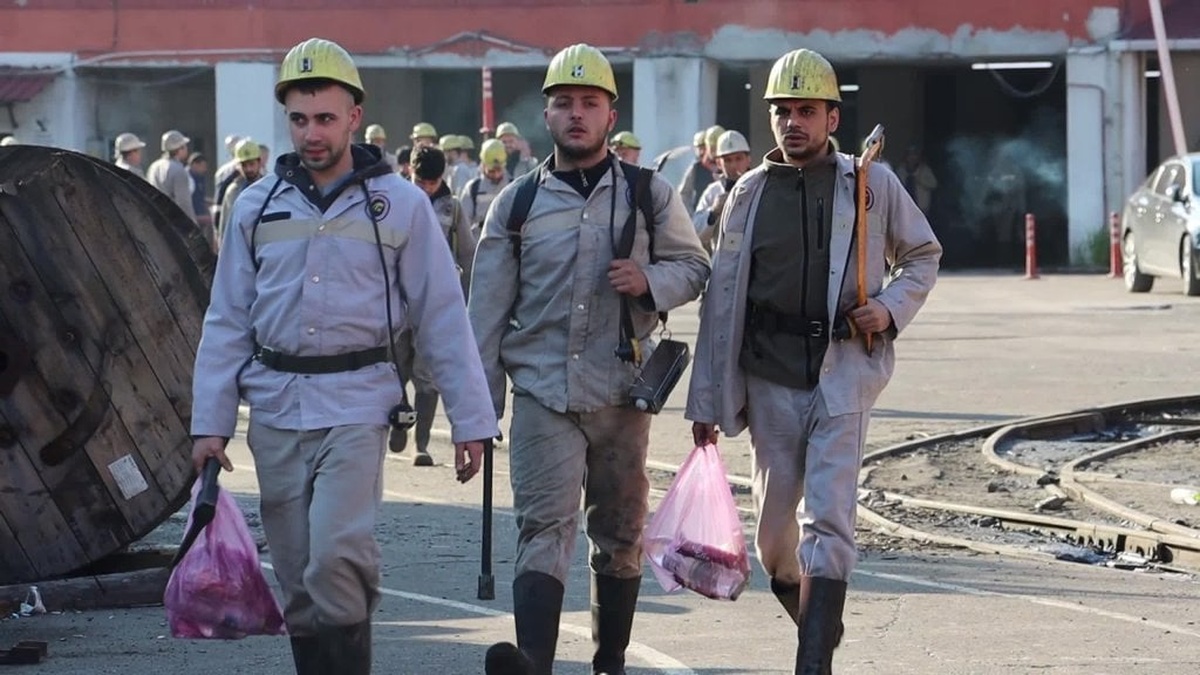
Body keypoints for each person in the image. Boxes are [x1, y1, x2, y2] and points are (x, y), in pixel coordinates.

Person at [189, 37, 498, 674]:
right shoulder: (255, 207)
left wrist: (472, 420)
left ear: (354, 115)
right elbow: (225, 319)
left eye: (325, 118)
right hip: (274, 408)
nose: (311, 133)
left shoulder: (401, 204)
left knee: (336, 556)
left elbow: (443, 314)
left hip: (359, 404)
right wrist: (210, 421)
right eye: (298, 119)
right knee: (301, 581)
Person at [685, 48, 941, 673]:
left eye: (807, 111)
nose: (793, 122)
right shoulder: (745, 193)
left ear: (832, 116)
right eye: (783, 112)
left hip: (844, 374)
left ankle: (813, 662)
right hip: (768, 379)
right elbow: (721, 301)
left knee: (829, 522)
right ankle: (820, 625)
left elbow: (923, 254)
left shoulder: (871, 183)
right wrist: (707, 402)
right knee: (776, 543)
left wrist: (888, 308)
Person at [469, 43, 709, 675]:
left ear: (610, 114)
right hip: (543, 395)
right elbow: (485, 319)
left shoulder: (649, 194)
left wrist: (650, 281)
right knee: (542, 529)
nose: (576, 114)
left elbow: (695, 267)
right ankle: (534, 664)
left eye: (589, 103)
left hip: (621, 396)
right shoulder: (514, 206)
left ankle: (609, 663)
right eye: (563, 103)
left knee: (620, 535)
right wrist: (477, 415)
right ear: (546, 116)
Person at [387, 145, 477, 466]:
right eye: (420, 181)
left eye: (432, 182)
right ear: (409, 171)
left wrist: (465, 302)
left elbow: (467, 253)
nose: (425, 188)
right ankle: (400, 421)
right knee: (393, 369)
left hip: (434, 305)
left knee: (428, 377)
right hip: (396, 303)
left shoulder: (451, 209)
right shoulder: (392, 201)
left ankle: (420, 443)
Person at [692, 129, 753, 254]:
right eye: (728, 160)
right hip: (721, 266)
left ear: (748, 159)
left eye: (738, 158)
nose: (733, 165)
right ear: (719, 163)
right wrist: (713, 213)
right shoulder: (713, 192)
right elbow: (694, 234)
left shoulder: (759, 188)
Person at [215, 138, 266, 246]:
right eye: (244, 165)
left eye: (251, 164)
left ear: (259, 162)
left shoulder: (270, 189)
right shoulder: (233, 192)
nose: (248, 169)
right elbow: (225, 227)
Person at [459, 138, 510, 237]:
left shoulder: (513, 186)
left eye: (499, 170)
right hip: (480, 247)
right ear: (483, 165)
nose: (496, 174)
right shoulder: (472, 189)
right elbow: (464, 226)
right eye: (491, 171)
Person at [147, 129, 195, 222]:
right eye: (184, 146)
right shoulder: (178, 170)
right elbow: (184, 203)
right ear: (180, 149)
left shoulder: (154, 166)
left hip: (155, 219)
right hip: (173, 221)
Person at [677, 125, 723, 211]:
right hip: (702, 219)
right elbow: (684, 194)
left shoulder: (727, 166)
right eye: (699, 148)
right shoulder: (696, 168)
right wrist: (691, 216)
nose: (701, 151)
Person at [895, 144, 938, 214]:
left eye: (914, 155)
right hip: (903, 209)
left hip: (921, 209)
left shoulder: (925, 170)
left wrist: (920, 180)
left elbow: (934, 185)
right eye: (910, 155)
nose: (912, 158)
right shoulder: (901, 170)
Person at [187, 152, 214, 244]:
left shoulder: (199, 178)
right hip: (193, 218)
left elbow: (199, 197)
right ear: (194, 165)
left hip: (200, 218)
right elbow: (186, 201)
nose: (205, 169)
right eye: (203, 166)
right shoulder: (188, 179)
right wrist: (197, 217)